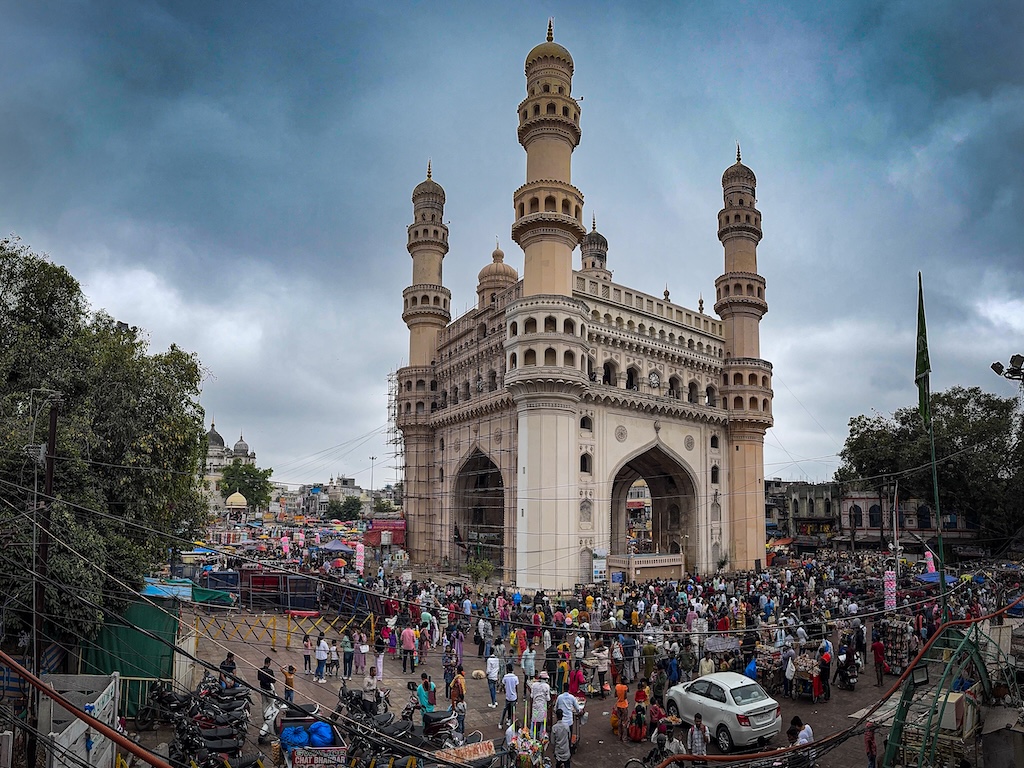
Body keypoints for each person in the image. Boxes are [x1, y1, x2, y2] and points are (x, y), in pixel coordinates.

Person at [531, 671, 552, 739]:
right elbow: (548, 699)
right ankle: (541, 736)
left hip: (535, 705)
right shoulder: (546, 686)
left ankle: (532, 735)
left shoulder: (534, 685)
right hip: (543, 706)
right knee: (543, 722)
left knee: (534, 721)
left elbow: (532, 696)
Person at [500, 663, 519, 728]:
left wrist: (504, 690)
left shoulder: (505, 677)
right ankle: (511, 722)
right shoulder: (515, 677)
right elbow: (516, 688)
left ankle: (501, 723)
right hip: (514, 697)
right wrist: (517, 697)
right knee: (513, 711)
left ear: (507, 669)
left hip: (507, 697)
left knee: (505, 710)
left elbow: (502, 685)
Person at [450, 664, 467, 733]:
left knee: (458, 721)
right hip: (462, 695)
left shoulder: (457, 678)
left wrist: (454, 708)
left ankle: (459, 732)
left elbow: (451, 685)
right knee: (462, 722)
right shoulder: (463, 678)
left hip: (457, 697)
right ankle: (462, 731)